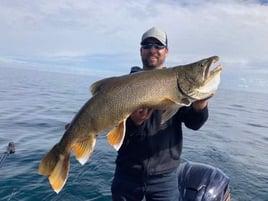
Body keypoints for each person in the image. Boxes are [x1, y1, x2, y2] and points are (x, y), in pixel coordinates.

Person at [111, 27, 211, 201]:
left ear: (166, 51)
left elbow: (194, 124)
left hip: (164, 179)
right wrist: (134, 123)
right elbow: (114, 133)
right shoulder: (123, 87)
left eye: (158, 46)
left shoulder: (178, 83)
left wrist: (200, 106)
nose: (153, 50)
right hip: (127, 174)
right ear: (141, 50)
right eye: (147, 45)